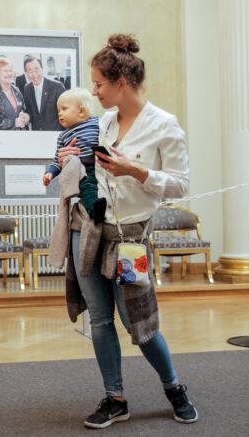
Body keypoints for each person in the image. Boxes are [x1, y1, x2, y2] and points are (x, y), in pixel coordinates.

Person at [57, 34, 196, 429]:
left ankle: (173, 387)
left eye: (99, 83)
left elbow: (182, 185)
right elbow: (91, 173)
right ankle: (115, 398)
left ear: (121, 83)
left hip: (130, 240)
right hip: (90, 229)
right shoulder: (100, 123)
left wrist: (136, 170)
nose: (94, 90)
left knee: (140, 324)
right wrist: (73, 162)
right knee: (99, 321)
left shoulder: (163, 124)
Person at [43, 88, 103, 218]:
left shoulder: (98, 123)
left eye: (64, 109)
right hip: (82, 170)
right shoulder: (63, 136)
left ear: (81, 111)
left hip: (101, 165)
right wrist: (49, 173)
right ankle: (94, 211)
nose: (59, 114)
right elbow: (57, 161)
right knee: (87, 188)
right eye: (58, 110)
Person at [0, 57, 30, 130]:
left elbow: (23, 109)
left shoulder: (16, 90)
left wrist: (25, 116)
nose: (9, 73)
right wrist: (14, 123)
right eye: (5, 71)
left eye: (10, 70)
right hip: (1, 138)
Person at [22, 56, 66, 131]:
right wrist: (27, 117)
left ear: (42, 69)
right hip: (37, 135)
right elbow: (29, 110)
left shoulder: (57, 87)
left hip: (55, 134)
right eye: (30, 71)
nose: (34, 75)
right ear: (26, 73)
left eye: (36, 70)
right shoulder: (27, 88)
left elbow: (66, 113)